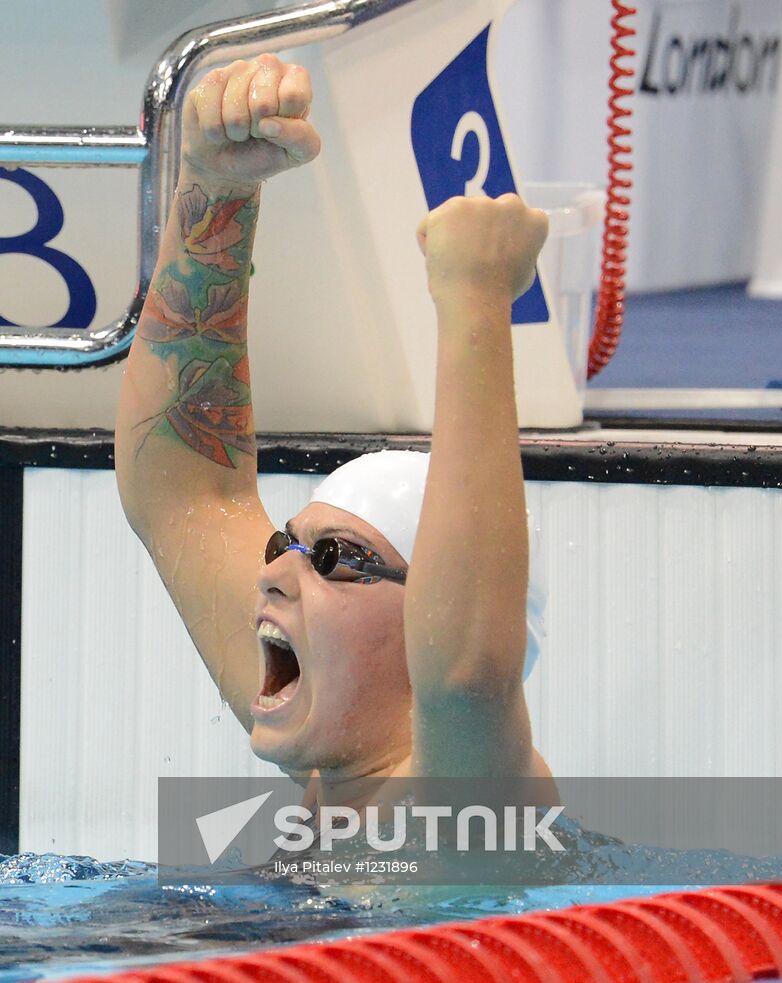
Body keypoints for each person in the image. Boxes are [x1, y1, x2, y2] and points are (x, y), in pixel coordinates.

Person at [114, 54, 552, 809]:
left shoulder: (471, 811)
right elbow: (186, 490)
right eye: (284, 544)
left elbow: (468, 674)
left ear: (425, 619)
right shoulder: (332, 764)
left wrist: (477, 296)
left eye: (334, 558)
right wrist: (216, 190)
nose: (275, 572)